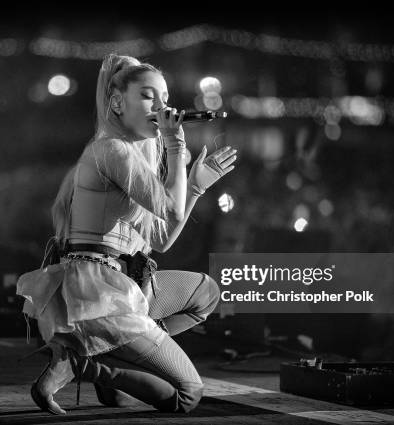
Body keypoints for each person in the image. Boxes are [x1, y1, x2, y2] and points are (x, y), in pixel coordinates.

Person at [17, 53, 237, 415]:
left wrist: (195, 187)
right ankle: (82, 363)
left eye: (165, 97)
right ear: (117, 103)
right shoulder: (111, 151)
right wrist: (176, 145)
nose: (163, 106)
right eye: (150, 96)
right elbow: (172, 208)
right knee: (187, 396)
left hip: (127, 284)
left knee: (206, 294)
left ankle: (113, 367)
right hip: (99, 291)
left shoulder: (133, 159)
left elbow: (162, 238)